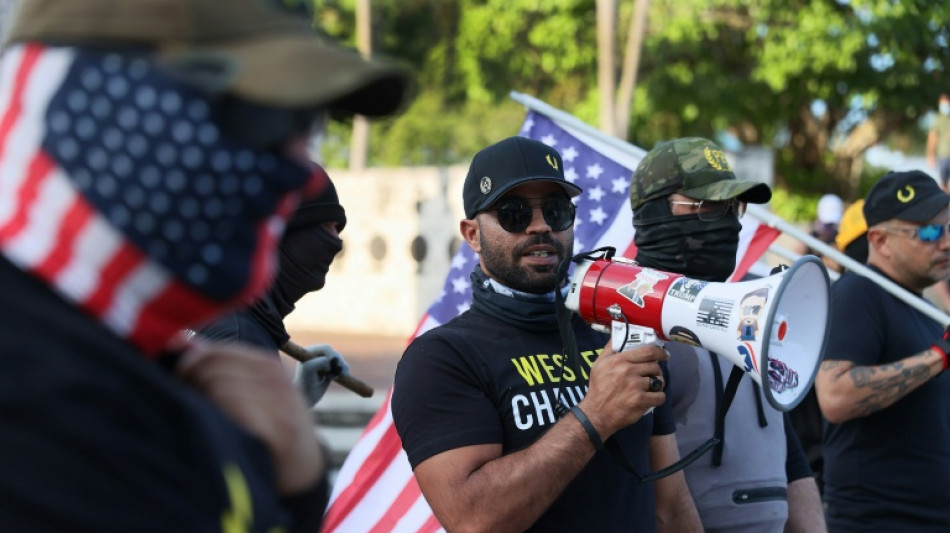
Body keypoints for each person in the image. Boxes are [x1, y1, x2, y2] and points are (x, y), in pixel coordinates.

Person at [0, 0, 411, 531]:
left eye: (305, 124)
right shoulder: (35, 404)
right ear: (100, 101)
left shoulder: (146, 367)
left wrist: (290, 482)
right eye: (264, 118)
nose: (300, 174)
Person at [392, 136, 702, 532]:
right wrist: (596, 414)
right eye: (514, 213)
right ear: (472, 234)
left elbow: (671, 503)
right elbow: (474, 519)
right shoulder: (441, 357)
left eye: (555, 211)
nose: (540, 226)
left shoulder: (618, 334)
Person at [628, 137, 826, 532]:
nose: (728, 222)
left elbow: (787, 454)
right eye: (706, 206)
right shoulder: (625, 323)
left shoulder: (753, 307)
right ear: (654, 212)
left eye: (732, 207)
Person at [815, 170, 950, 531]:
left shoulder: (925, 311)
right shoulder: (860, 292)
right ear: (880, 240)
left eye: (948, 228)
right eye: (930, 231)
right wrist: (940, 356)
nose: (946, 241)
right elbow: (835, 394)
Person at [198, 177, 351, 406]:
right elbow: (246, 441)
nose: (337, 241)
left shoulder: (222, 310)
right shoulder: (242, 341)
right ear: (284, 235)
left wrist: (294, 401)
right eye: (326, 225)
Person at [927, 94, 950, 191]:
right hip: (943, 155)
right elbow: (932, 138)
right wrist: (930, 155)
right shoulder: (937, 119)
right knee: (944, 183)